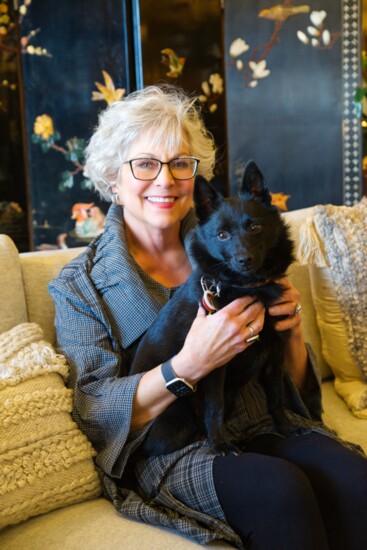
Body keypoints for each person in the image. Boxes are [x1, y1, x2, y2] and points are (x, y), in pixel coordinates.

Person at [49, 84, 367, 550]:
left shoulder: (234, 242)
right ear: (112, 179)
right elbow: (95, 411)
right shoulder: (80, 285)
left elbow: (294, 383)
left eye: (180, 163)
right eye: (144, 164)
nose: (165, 180)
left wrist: (291, 329)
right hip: (174, 445)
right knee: (279, 492)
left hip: (260, 420)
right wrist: (187, 365)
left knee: (355, 480)